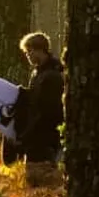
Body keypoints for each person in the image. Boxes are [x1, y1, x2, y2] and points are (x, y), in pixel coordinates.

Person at [10, 32, 64, 168]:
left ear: (40, 49)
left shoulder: (52, 76)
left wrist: (24, 137)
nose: (27, 55)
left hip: (45, 140)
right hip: (35, 139)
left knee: (41, 180)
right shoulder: (37, 74)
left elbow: (45, 113)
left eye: (29, 51)